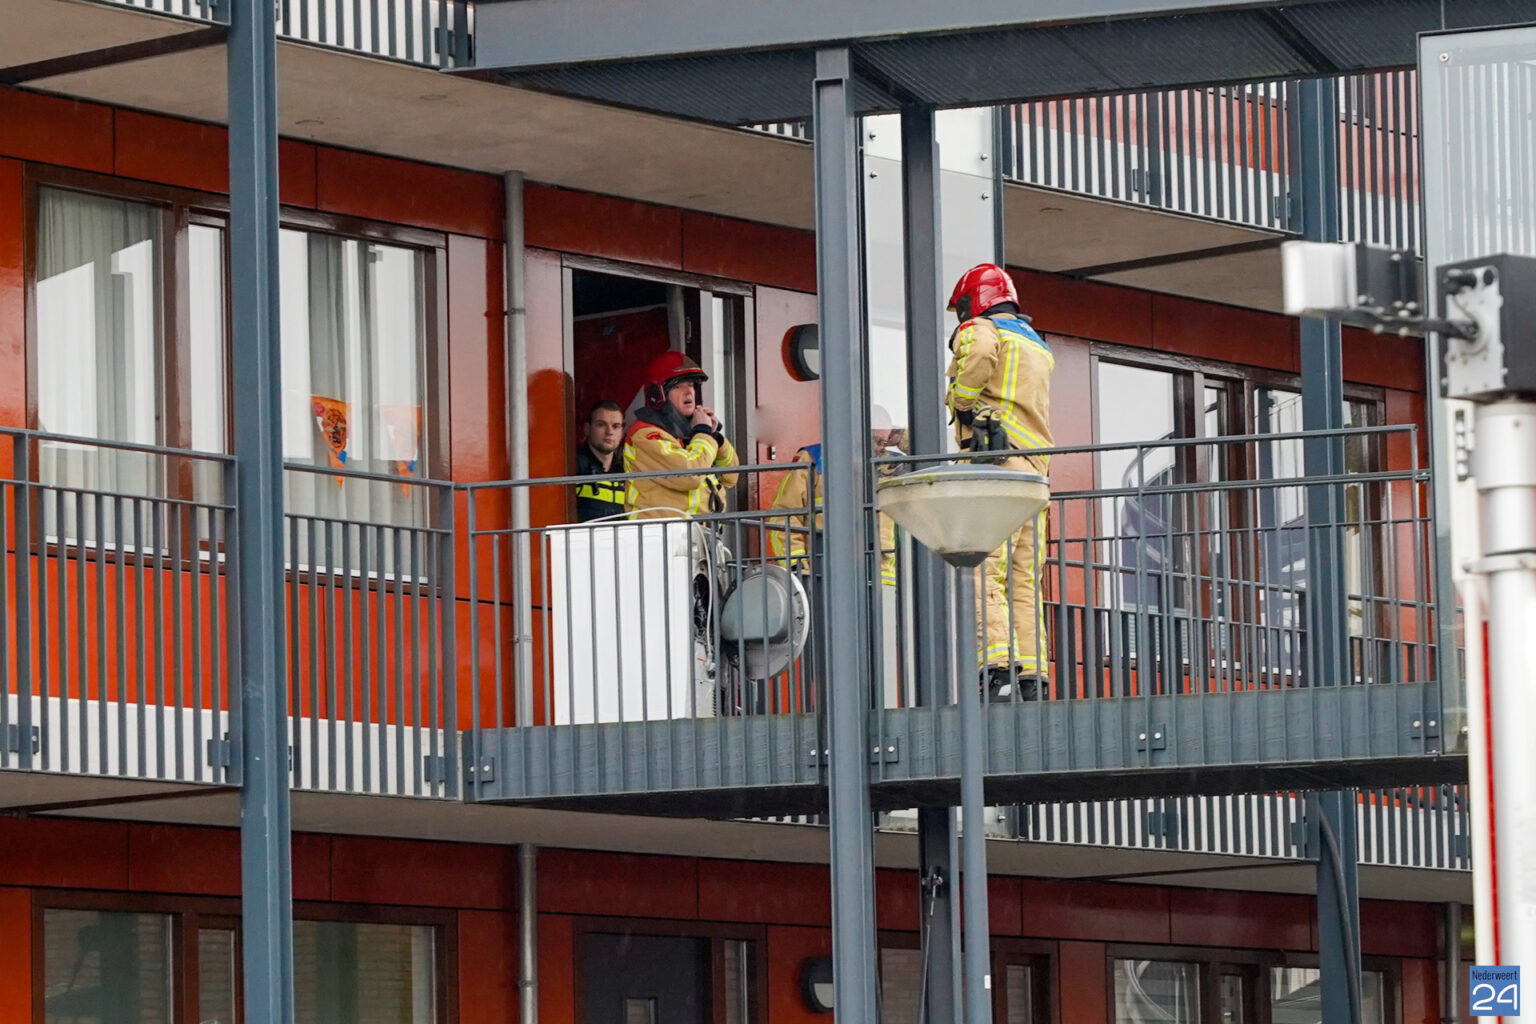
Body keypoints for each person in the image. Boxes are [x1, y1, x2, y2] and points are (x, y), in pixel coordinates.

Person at [944, 263, 1053, 701]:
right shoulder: (1038, 346)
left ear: (976, 301)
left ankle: (996, 666)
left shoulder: (982, 329)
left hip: (995, 468)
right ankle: (1033, 674)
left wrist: (961, 399)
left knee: (983, 568)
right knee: (1025, 578)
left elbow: (980, 349)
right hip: (1036, 474)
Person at [623, 351, 740, 518]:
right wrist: (702, 432)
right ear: (658, 394)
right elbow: (689, 476)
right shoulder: (646, 435)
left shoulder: (693, 432)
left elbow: (730, 477)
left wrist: (715, 437)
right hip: (660, 536)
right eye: (678, 386)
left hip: (697, 535)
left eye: (691, 385)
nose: (689, 392)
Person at [574, 400, 627, 522]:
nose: (609, 432)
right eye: (601, 424)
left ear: (622, 432)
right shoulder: (572, 465)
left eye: (616, 426)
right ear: (587, 429)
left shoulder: (628, 469)